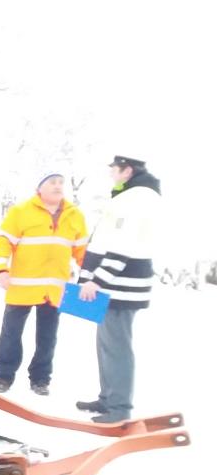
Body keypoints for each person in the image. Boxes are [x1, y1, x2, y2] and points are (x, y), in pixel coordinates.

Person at [75, 155, 161, 423]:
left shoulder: (137, 198)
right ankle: (108, 399)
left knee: (116, 347)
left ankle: (119, 408)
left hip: (119, 286)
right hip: (116, 285)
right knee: (107, 345)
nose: (111, 173)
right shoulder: (131, 195)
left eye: (114, 168)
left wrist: (97, 279)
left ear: (127, 170)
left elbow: (123, 244)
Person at [0, 173, 89, 395]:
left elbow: (83, 252)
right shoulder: (21, 212)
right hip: (21, 286)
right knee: (11, 334)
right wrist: (1, 269)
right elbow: (3, 241)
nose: (58, 186)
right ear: (40, 188)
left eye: (61, 183)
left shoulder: (75, 215)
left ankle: (40, 379)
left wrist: (91, 279)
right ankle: (3, 377)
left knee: (47, 337)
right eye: (52, 182)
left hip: (54, 290)